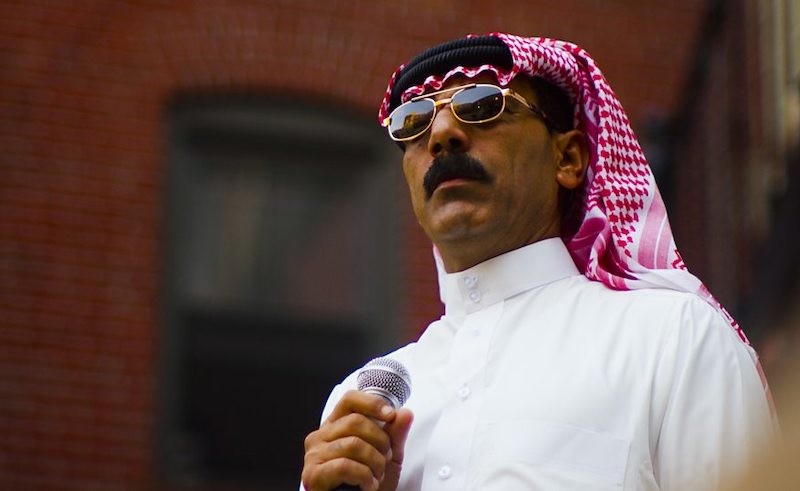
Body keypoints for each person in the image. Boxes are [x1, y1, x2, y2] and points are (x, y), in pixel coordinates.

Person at [300, 33, 776, 491]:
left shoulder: (672, 338)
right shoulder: (361, 403)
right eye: (414, 122)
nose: (442, 134)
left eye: (483, 105)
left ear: (568, 158)